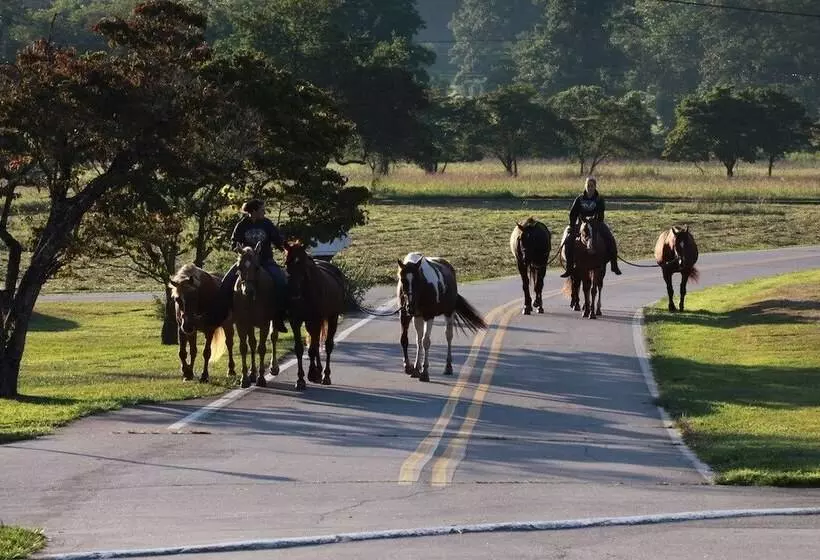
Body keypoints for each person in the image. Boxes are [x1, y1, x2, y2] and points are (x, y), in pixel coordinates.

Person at [217, 199, 289, 333]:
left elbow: (278, 240)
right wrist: (239, 250)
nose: (264, 212)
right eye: (262, 210)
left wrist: (287, 249)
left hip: (265, 261)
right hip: (246, 262)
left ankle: (278, 317)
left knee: (280, 282)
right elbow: (234, 242)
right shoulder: (241, 225)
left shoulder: (267, 224)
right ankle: (226, 314)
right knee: (226, 282)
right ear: (254, 211)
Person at [560, 177, 622, 278]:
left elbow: (601, 214)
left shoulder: (599, 199)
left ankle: (614, 265)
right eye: (588, 186)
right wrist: (572, 225)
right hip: (581, 223)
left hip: (596, 223)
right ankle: (569, 267)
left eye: (592, 186)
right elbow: (573, 213)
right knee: (569, 240)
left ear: (595, 187)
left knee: (610, 238)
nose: (590, 188)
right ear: (585, 186)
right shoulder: (579, 199)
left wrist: (595, 220)